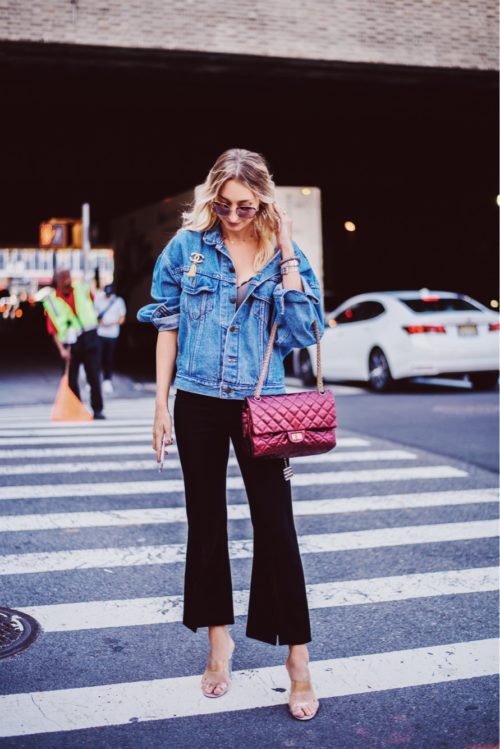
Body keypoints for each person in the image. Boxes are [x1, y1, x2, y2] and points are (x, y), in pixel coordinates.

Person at [137, 148, 324, 720]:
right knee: (206, 523)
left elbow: (306, 328)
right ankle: (220, 645)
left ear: (263, 199)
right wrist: (160, 406)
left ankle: (297, 661)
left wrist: (288, 250)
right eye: (222, 203)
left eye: (245, 204)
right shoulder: (186, 249)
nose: (234, 214)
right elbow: (166, 327)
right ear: (210, 197)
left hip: (261, 403)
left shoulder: (279, 252)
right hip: (196, 400)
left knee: (277, 528)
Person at [43, 269, 105, 419]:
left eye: (68, 276)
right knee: (71, 378)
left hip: (89, 336)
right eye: (63, 277)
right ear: (57, 281)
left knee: (93, 375)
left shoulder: (82, 289)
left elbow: (94, 302)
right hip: (70, 343)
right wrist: (61, 350)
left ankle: (97, 409)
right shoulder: (51, 301)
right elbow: (53, 331)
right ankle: (76, 409)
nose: (67, 279)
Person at [95, 283, 126, 393]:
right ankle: (94, 381)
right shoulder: (98, 300)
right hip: (100, 333)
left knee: (109, 358)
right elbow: (94, 315)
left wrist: (113, 322)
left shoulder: (118, 301)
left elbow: (122, 318)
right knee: (97, 358)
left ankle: (107, 380)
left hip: (112, 334)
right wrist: (100, 322)